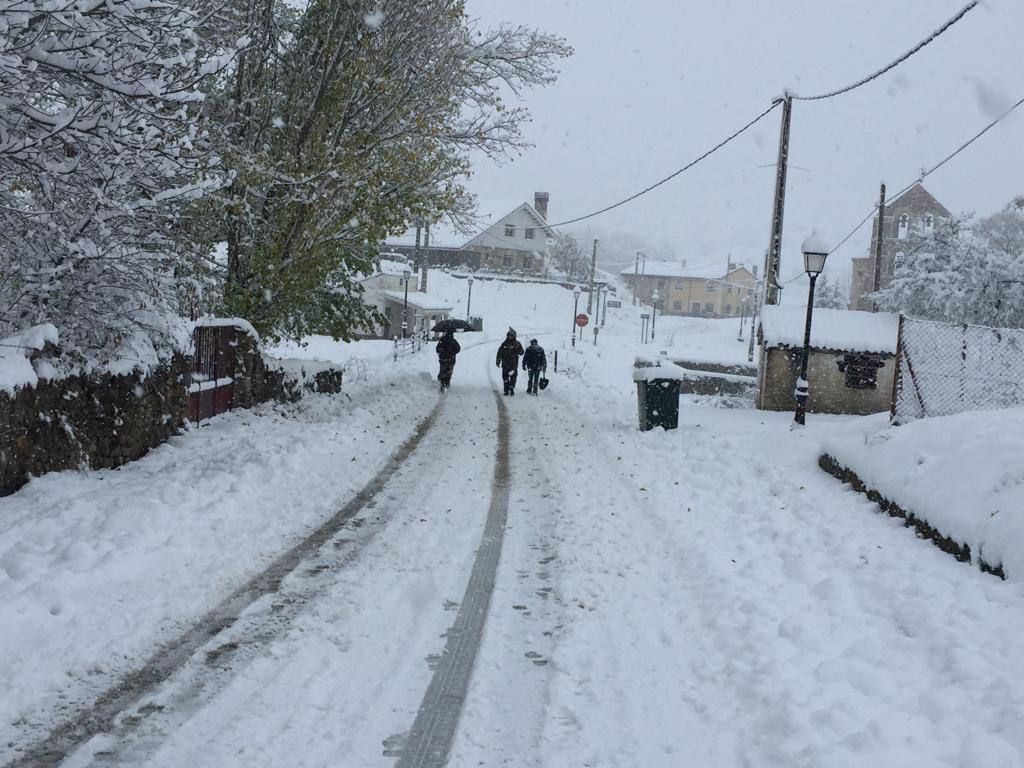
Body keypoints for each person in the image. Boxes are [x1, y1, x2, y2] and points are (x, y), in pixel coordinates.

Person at [495, 328, 524, 396]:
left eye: (511, 336)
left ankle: (509, 388)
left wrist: (498, 361)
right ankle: (509, 388)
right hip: (510, 364)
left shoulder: (507, 344)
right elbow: (500, 353)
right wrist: (498, 361)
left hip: (511, 364)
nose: (510, 337)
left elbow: (521, 352)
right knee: (507, 377)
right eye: (509, 336)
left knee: (510, 377)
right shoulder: (513, 343)